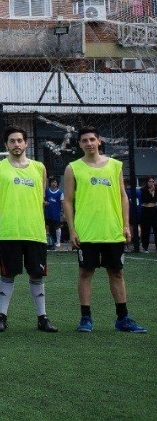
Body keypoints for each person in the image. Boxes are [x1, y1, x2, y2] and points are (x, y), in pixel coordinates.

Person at [63, 126, 147, 333]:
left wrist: (126, 225)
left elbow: (123, 196)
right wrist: (72, 230)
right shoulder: (73, 168)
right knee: (85, 272)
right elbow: (68, 201)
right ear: (80, 144)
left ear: (99, 141)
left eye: (92, 139)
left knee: (116, 273)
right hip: (87, 231)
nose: (89, 143)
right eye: (84, 140)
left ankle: (123, 318)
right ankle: (85, 318)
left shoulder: (115, 166)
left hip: (112, 230)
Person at [0, 126, 57, 333]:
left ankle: (42, 317)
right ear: (6, 145)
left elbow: (40, 196)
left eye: (19, 140)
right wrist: (4, 220)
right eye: (12, 141)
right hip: (10, 231)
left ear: (25, 143)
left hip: (35, 231)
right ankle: (2, 316)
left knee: (37, 275)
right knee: (7, 275)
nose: (16, 144)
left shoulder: (39, 168)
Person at [44, 178, 64, 250]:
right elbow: (43, 200)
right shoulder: (46, 191)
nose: (54, 184)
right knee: (47, 227)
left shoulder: (60, 193)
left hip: (56, 214)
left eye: (55, 182)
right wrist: (44, 203)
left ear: (57, 184)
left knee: (57, 227)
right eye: (52, 182)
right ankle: (46, 241)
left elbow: (63, 203)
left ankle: (58, 242)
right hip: (47, 213)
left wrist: (63, 213)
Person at [140, 177, 157, 252]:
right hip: (146, 210)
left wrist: (153, 193)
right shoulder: (143, 190)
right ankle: (145, 247)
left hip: (154, 209)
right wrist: (150, 192)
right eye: (150, 181)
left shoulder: (155, 190)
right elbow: (145, 200)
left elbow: (154, 199)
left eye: (153, 181)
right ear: (147, 182)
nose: (152, 183)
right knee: (146, 230)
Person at [125, 178, 140, 254]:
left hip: (129, 213)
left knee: (130, 228)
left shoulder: (126, 192)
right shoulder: (138, 191)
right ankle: (136, 244)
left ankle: (128, 244)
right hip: (138, 212)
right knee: (137, 227)